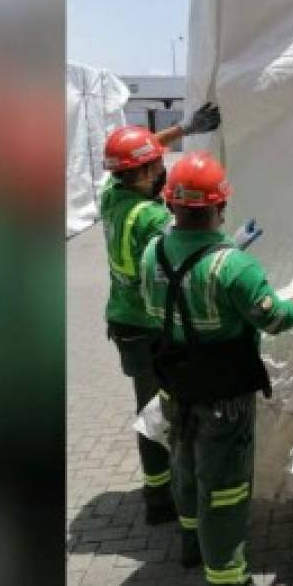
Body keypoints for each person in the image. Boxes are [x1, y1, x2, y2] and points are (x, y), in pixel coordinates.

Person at [140, 151, 293, 586]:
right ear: (219, 207)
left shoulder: (153, 252)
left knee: (186, 469)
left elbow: (176, 292)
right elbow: (276, 316)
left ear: (172, 205)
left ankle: (193, 547)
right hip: (222, 398)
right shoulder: (233, 268)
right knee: (225, 493)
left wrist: (219, 255)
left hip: (176, 386)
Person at [100, 106, 227, 525]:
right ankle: (167, 498)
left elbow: (135, 155)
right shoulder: (153, 217)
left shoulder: (112, 196)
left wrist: (184, 129)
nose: (162, 170)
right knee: (162, 413)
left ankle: (156, 491)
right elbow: (178, 259)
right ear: (143, 173)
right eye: (156, 166)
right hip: (151, 326)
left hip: (123, 322)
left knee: (146, 407)